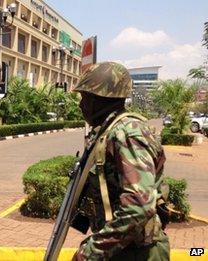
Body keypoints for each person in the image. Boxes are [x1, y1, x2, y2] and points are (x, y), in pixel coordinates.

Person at [71, 62, 170, 260]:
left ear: (102, 99)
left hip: (136, 252)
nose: (81, 105)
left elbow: (138, 206)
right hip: (122, 248)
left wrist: (90, 252)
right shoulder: (108, 131)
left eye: (85, 98)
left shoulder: (127, 133)